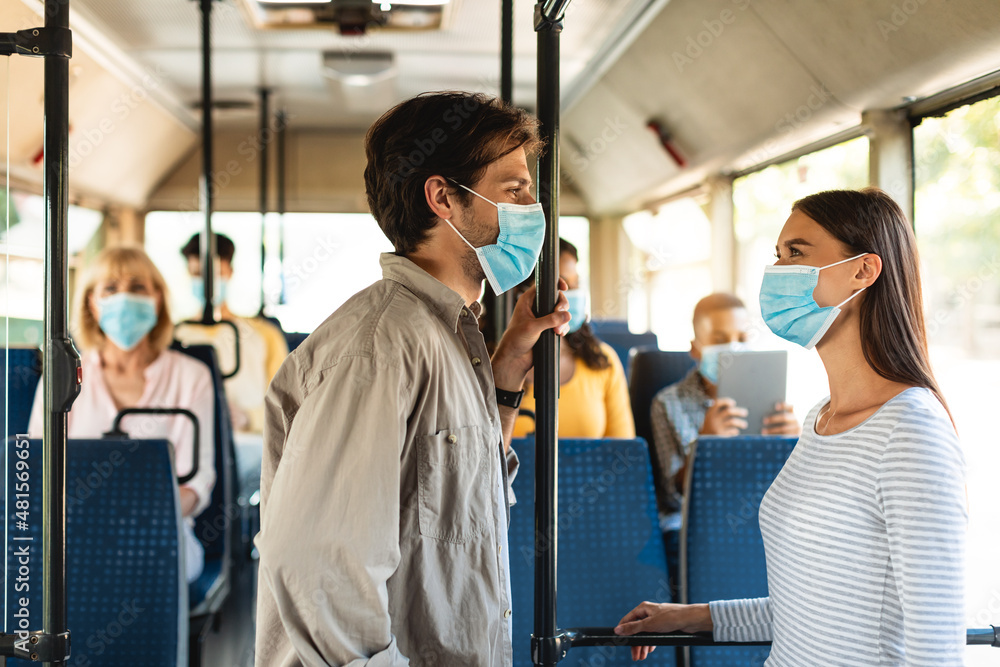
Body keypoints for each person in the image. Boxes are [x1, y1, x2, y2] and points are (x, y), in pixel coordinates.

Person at [254, 91, 571, 666]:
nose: (533, 209)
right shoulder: (380, 346)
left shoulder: (449, 336)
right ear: (444, 197)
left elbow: (457, 499)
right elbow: (317, 563)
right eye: (514, 189)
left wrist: (505, 374)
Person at [615, 188, 966, 665]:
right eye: (777, 256)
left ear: (862, 271)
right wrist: (694, 616)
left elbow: (936, 649)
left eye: (796, 254)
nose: (776, 274)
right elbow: (811, 614)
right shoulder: (820, 418)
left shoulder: (911, 431)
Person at [28, 246, 216, 583]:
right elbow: (40, 470)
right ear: (91, 302)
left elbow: (197, 480)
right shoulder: (63, 375)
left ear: (158, 299)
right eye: (111, 288)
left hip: (161, 534)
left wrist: (138, 526)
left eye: (138, 287)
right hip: (75, 533)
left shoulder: (192, 377)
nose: (124, 298)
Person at [650, 293, 799, 530]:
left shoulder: (768, 398)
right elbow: (673, 496)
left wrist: (793, 443)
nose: (734, 348)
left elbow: (786, 486)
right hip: (696, 521)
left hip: (756, 516)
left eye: (741, 338)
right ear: (695, 349)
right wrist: (705, 443)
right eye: (720, 340)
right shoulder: (667, 403)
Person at [512, 238, 635, 438]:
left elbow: (621, 446)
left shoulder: (603, 360)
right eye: (563, 285)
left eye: (576, 285)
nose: (573, 295)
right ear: (524, 293)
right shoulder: (492, 361)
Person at [179, 232, 289, 433]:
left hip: (250, 444)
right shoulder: (172, 335)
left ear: (229, 272)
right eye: (197, 274)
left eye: (214, 274)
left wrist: (249, 418)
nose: (205, 283)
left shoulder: (265, 335)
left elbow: (287, 404)